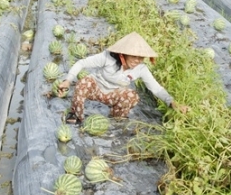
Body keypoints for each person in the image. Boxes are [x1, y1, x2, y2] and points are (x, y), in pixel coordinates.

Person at [58, 32, 188, 125]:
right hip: (95, 89)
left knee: (132, 96)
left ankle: (116, 118)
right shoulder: (107, 58)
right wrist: (68, 80)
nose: (138, 61)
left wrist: (172, 103)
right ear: (123, 55)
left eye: (141, 57)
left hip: (113, 94)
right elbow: (82, 63)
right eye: (134, 56)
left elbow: (156, 88)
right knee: (84, 82)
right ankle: (75, 113)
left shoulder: (141, 69)